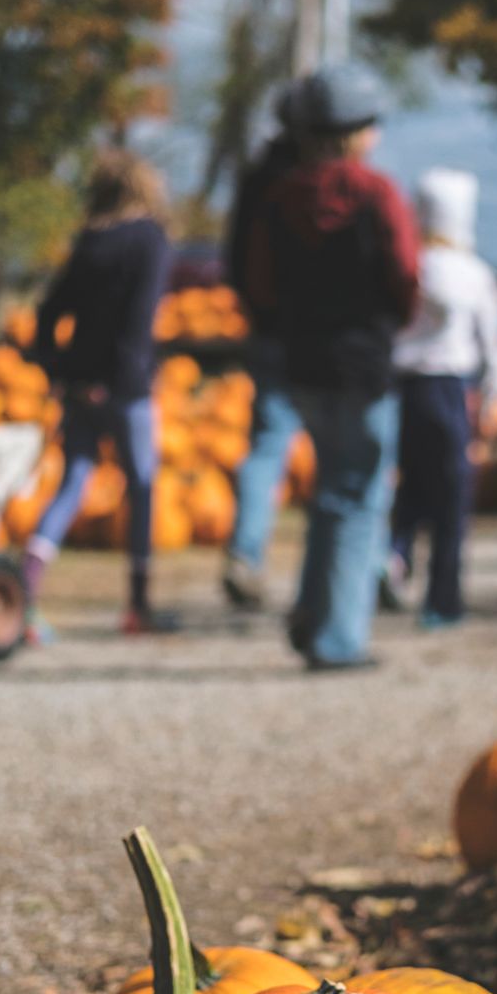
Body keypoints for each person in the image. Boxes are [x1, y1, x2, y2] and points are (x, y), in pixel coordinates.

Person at [244, 65, 419, 671]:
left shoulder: (280, 196)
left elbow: (260, 281)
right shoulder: (377, 192)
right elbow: (404, 273)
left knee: (330, 489)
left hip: (304, 362)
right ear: (359, 131)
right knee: (360, 495)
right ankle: (339, 638)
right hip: (364, 364)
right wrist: (392, 319)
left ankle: (311, 612)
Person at [21, 149, 175, 641]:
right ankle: (138, 605)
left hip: (78, 383)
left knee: (72, 482)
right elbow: (139, 321)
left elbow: (49, 310)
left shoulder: (90, 240)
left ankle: (25, 596)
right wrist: (122, 380)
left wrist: (55, 367)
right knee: (142, 485)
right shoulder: (149, 239)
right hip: (125, 388)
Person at [384, 167, 497, 628]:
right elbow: (491, 347)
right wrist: (488, 403)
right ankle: (442, 599)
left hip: (399, 386)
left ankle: (394, 556)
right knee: (451, 498)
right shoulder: (473, 274)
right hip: (449, 388)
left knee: (408, 485)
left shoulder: (406, 265)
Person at [222, 82, 308, 609]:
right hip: (323, 336)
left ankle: (245, 551)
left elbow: (235, 259)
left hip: (270, 329)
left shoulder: (258, 180)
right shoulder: (318, 180)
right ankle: (370, 567)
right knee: (347, 455)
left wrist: (257, 313)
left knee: (267, 445)